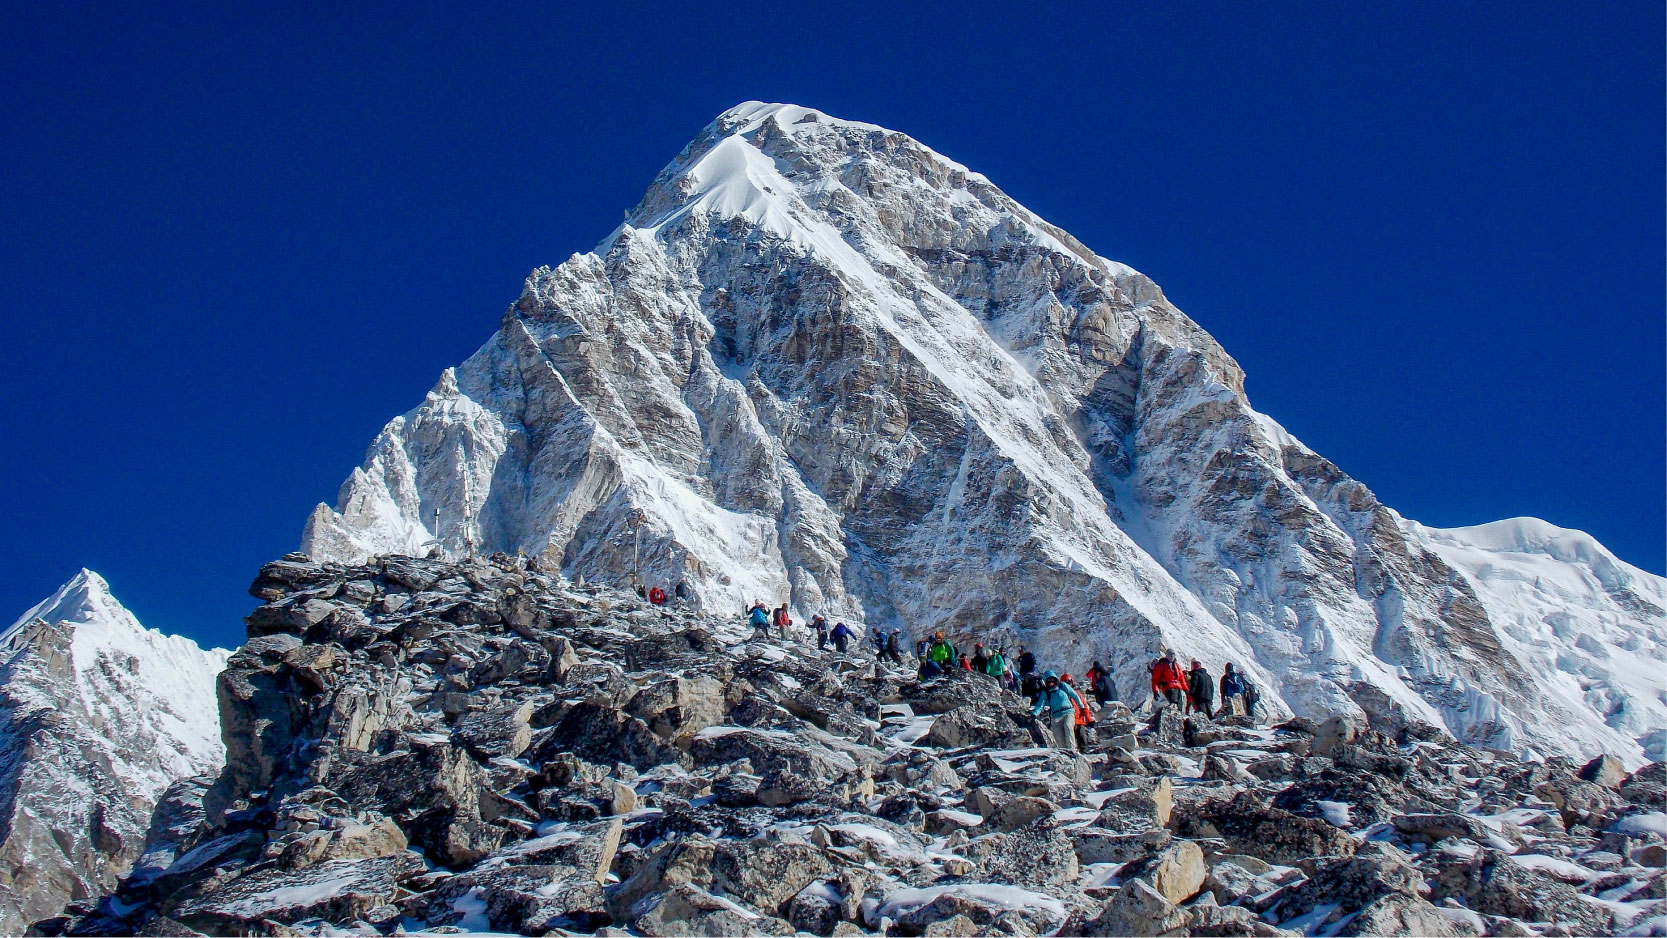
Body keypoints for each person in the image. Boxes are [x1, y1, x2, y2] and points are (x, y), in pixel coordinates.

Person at [1031, 671, 1086, 751]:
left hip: (1068, 712)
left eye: (1052, 680)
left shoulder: (1063, 686)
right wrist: (1034, 714)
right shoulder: (1046, 692)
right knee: (1058, 735)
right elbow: (1040, 704)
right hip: (1056, 715)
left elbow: (1074, 695)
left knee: (1068, 726)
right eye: (1048, 681)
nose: (1051, 683)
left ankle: (1072, 750)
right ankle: (1064, 752)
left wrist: (1081, 707)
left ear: (1055, 680)